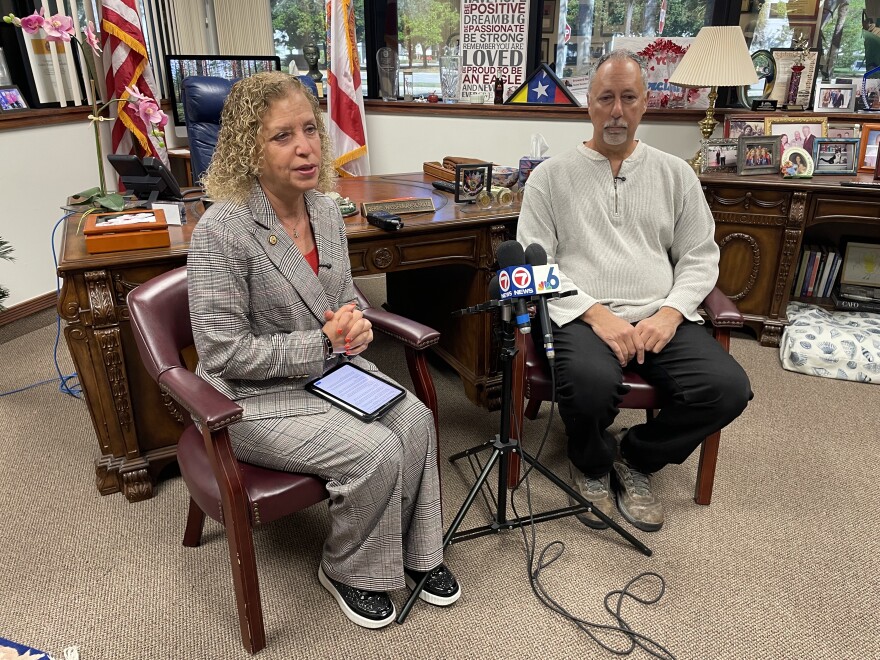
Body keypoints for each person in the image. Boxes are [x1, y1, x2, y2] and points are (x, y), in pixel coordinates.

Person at [188, 72, 459, 629]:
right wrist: (322, 343)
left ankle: (417, 551)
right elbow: (220, 352)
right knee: (373, 451)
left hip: (328, 369)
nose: (306, 146)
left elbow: (340, 300)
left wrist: (354, 326)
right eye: (282, 136)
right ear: (248, 148)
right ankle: (347, 570)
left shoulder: (328, 211)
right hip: (249, 396)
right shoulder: (222, 229)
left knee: (413, 418)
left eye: (310, 129)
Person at [516, 50, 752, 533]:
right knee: (588, 384)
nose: (617, 110)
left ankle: (636, 457)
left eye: (628, 98)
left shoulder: (676, 174)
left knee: (728, 390)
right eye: (606, 98)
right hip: (583, 314)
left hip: (659, 314)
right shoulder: (549, 178)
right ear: (589, 104)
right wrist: (596, 314)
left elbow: (700, 257)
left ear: (646, 103)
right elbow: (536, 263)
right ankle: (592, 460)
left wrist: (670, 313)